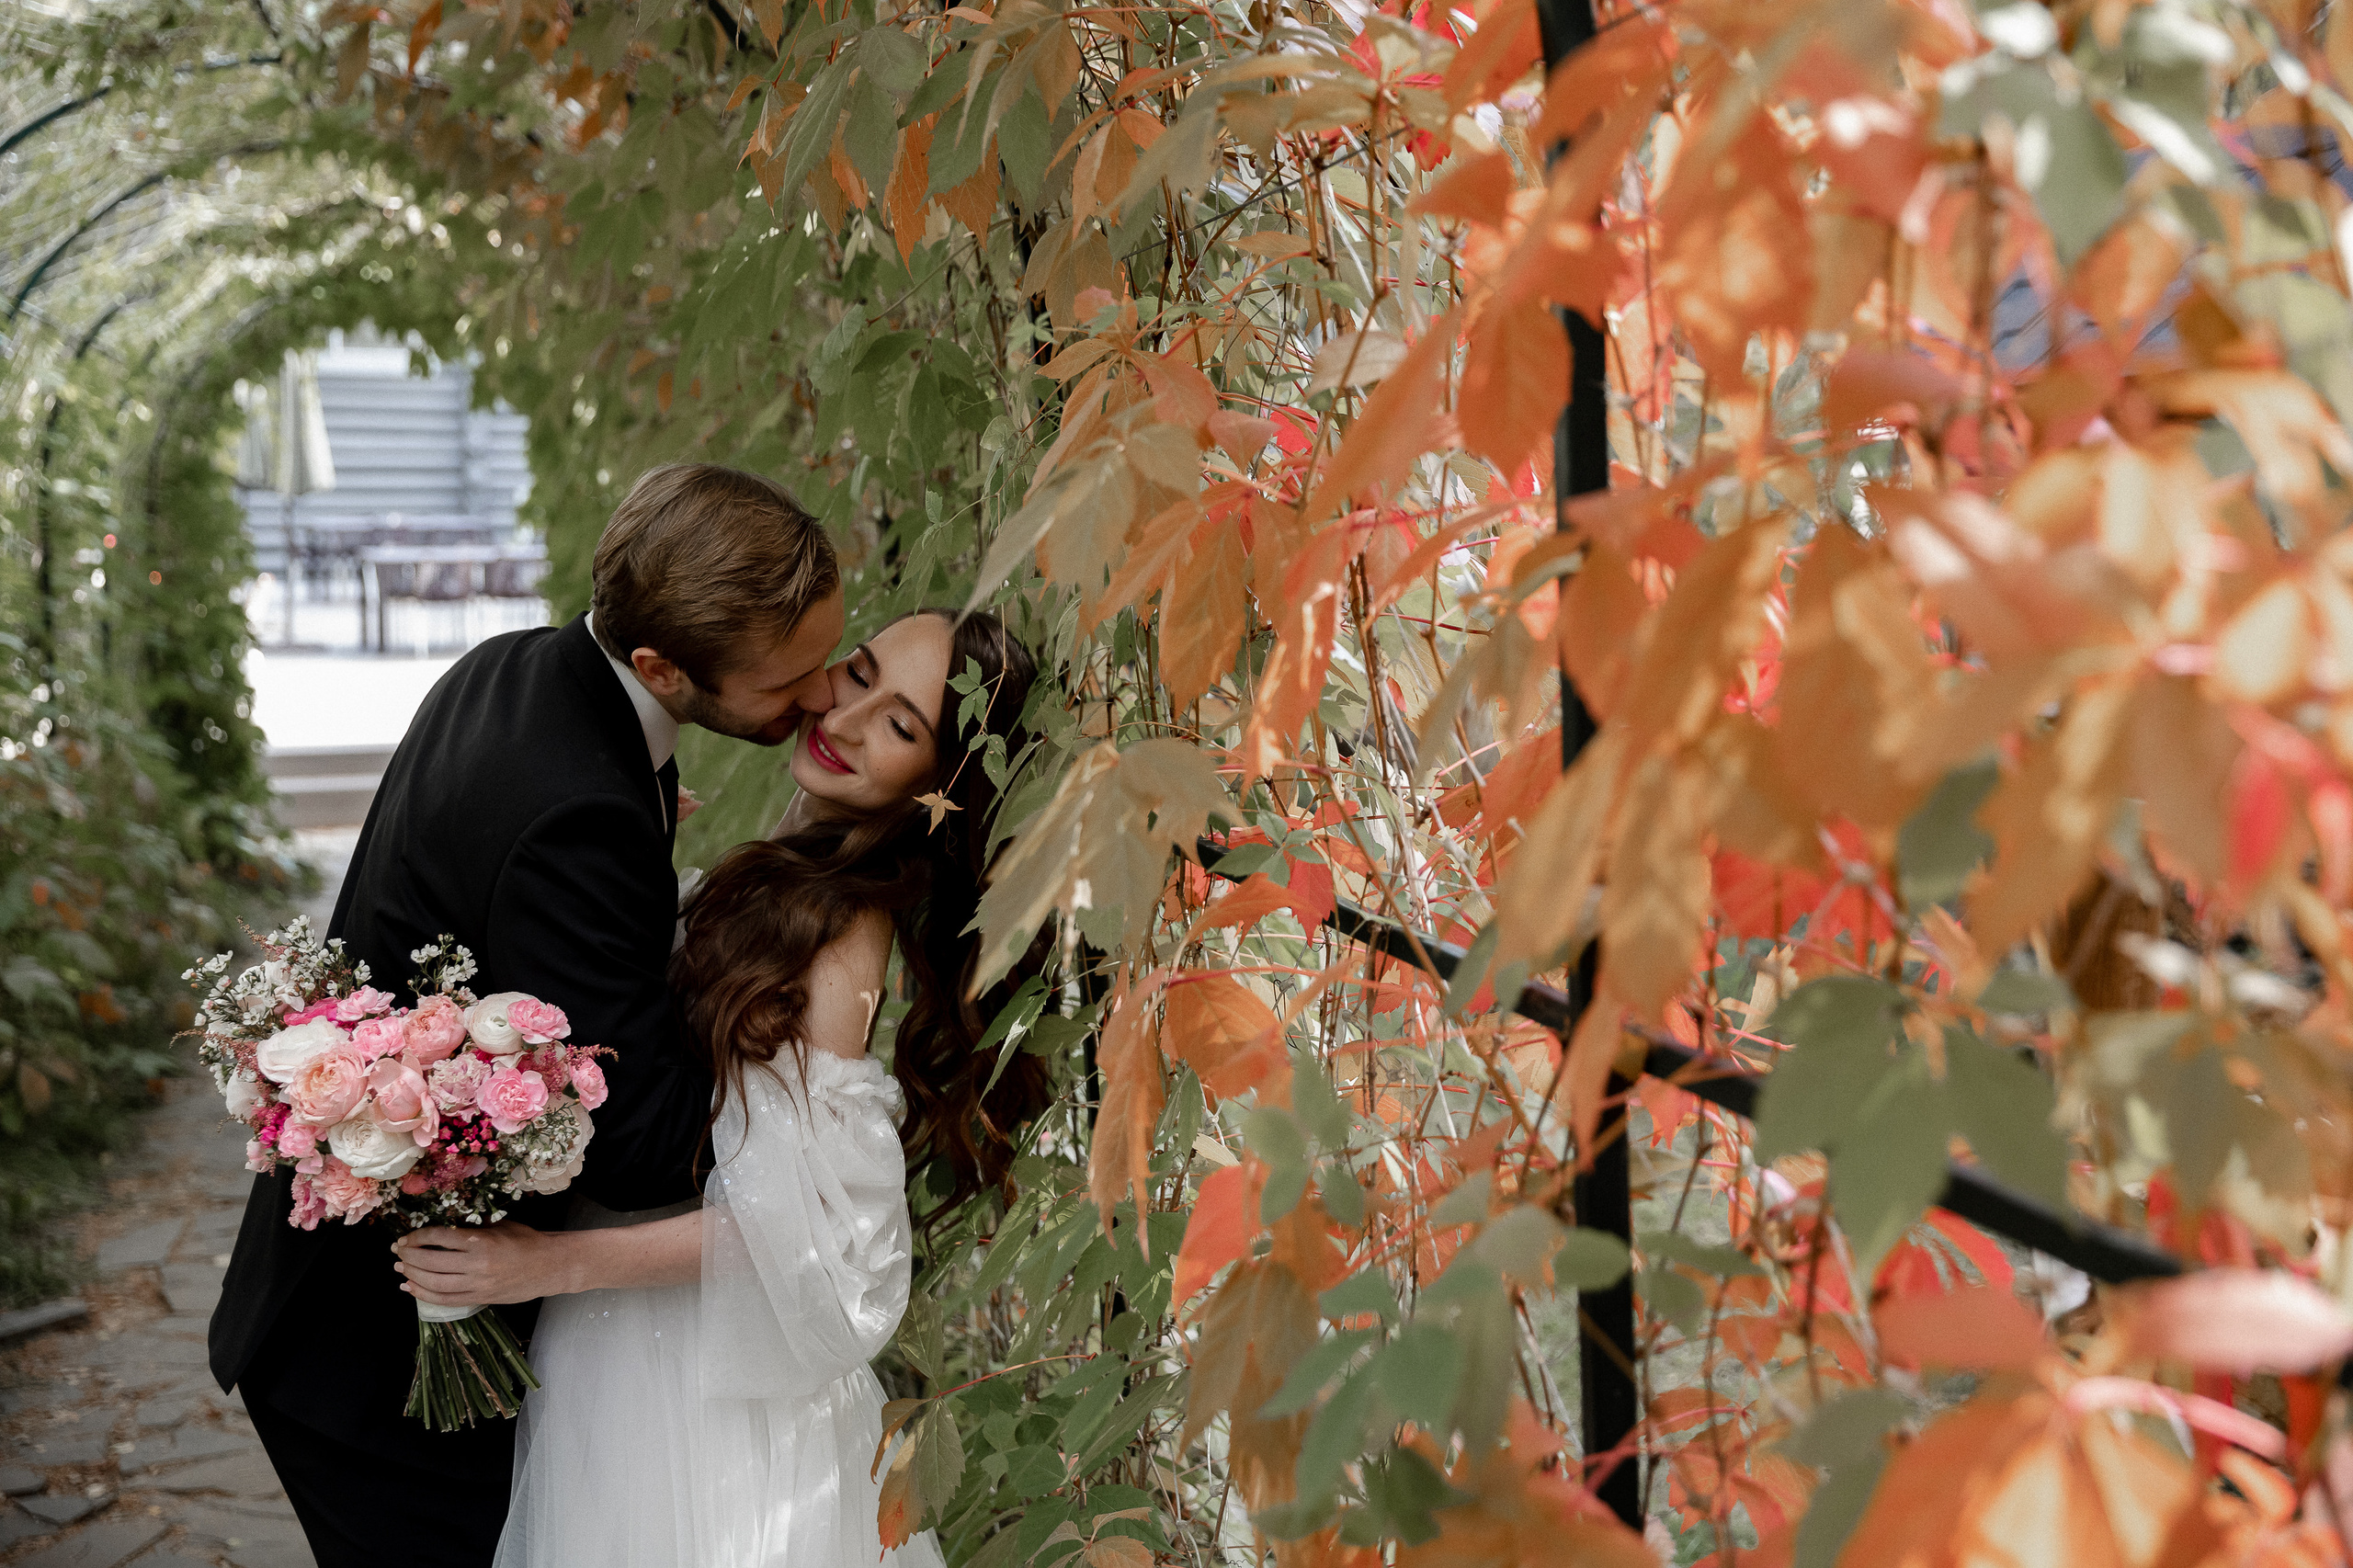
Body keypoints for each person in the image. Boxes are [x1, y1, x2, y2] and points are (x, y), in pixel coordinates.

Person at [210, 465, 847, 1568]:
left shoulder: (520, 667)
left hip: (350, 1307)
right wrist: (793, 1008)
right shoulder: (580, 811)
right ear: (660, 666)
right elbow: (646, 1147)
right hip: (390, 1355)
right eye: (789, 680)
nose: (825, 693)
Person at [385, 608, 1057, 1568]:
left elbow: (801, 1232)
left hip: (692, 1379)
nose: (848, 714)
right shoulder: (790, 867)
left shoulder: (841, 925)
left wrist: (542, 1265)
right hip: (627, 1340)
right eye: (857, 673)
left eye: (900, 724)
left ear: (941, 785)